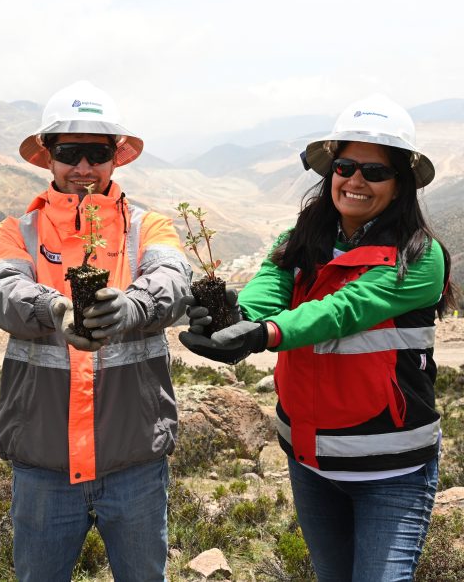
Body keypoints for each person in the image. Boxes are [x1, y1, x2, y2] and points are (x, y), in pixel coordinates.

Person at [179, 93, 456, 581]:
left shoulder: (420, 256)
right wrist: (236, 317)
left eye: (375, 172)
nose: (355, 181)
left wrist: (264, 334)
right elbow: (271, 282)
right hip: (310, 460)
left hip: (391, 472)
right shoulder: (302, 236)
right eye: (346, 167)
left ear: (402, 184)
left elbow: (345, 309)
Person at [0, 80, 191, 581]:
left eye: (95, 153)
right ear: (49, 156)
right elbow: (2, 293)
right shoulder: (18, 230)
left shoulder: (151, 228)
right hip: (43, 460)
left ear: (114, 158)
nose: (82, 168)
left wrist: (133, 306)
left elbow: (174, 280)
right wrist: (56, 310)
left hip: (134, 459)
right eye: (69, 152)